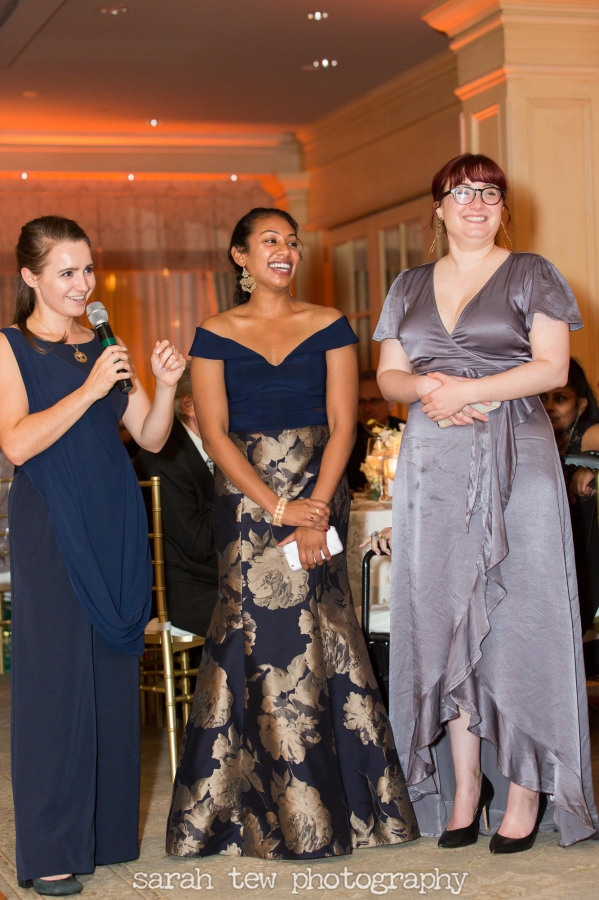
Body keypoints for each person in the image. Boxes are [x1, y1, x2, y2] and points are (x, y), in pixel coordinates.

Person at [166, 207, 418, 859]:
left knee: (323, 632)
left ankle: (345, 809)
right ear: (240, 256)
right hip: (248, 505)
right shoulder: (213, 333)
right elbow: (214, 433)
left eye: (293, 241)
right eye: (270, 240)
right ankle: (252, 817)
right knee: (257, 640)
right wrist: (278, 507)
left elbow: (344, 424)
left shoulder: (329, 324)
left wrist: (316, 507)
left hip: (319, 491)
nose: (286, 249)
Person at [372, 153, 599, 853]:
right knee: (443, 618)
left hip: (517, 456)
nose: (475, 203)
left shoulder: (532, 273)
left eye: (489, 193)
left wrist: (466, 391)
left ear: (503, 208)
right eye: (460, 192)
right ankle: (466, 787)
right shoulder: (407, 285)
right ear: (438, 208)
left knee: (520, 613)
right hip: (432, 466)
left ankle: (526, 786)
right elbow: (388, 375)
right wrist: (426, 389)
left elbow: (551, 368)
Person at [0, 216, 185, 896]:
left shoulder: (106, 343)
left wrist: (164, 384)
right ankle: (50, 848)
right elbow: (16, 443)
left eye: (87, 269)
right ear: (31, 277)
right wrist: (89, 390)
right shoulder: (9, 347)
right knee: (53, 684)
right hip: (52, 521)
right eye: (66, 272)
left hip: (114, 517)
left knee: (112, 672)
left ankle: (104, 836)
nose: (83, 284)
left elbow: (151, 436)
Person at [134, 362, 218, 637]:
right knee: (274, 608)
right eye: (224, 397)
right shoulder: (164, 457)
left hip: (215, 580)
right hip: (185, 593)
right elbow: (200, 544)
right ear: (189, 405)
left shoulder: (208, 447)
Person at [541, 359, 599, 678]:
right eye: (542, 398)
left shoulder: (589, 433)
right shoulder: (540, 437)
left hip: (586, 560)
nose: (549, 406)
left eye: (560, 398)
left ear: (581, 404)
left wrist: (594, 468)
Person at [346, 369, 403, 492]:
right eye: (361, 402)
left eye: (373, 401)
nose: (367, 409)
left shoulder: (406, 431)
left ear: (390, 403)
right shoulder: (347, 439)